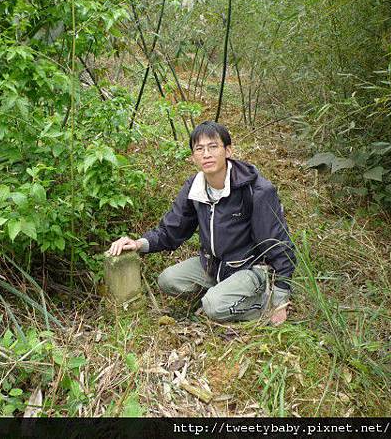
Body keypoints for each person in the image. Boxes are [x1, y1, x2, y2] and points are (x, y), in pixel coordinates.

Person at [108, 121, 295, 325]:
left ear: (228, 150)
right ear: (193, 156)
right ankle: (221, 293)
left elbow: (279, 245)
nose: (206, 154)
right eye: (199, 149)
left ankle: (262, 303)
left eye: (213, 146)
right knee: (168, 280)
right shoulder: (195, 188)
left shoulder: (256, 190)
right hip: (213, 265)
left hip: (249, 268)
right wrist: (139, 244)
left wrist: (280, 299)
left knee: (213, 306)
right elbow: (172, 229)